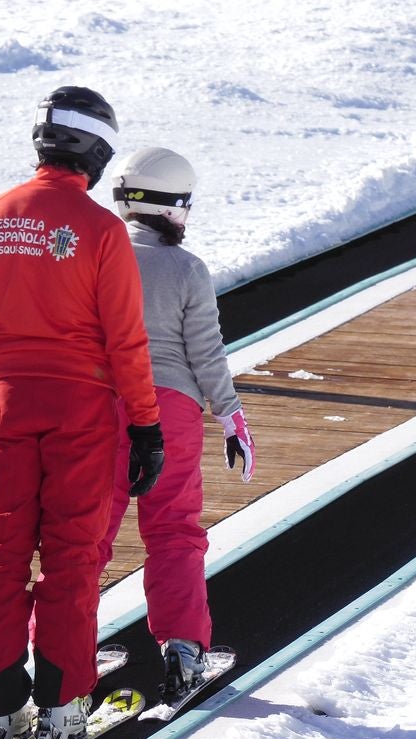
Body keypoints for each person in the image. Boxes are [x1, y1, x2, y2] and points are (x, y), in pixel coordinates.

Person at [0, 86, 164, 739]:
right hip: (81, 412)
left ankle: (0, 715)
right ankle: (63, 708)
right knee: (70, 560)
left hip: (4, 408)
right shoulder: (100, 232)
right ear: (95, 152)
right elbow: (126, 340)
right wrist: (147, 426)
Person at [98, 146, 256, 698]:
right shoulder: (187, 268)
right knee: (173, 531)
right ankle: (184, 652)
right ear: (174, 207)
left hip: (97, 407)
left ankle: (62, 649)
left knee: (85, 535)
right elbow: (205, 350)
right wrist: (230, 413)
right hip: (172, 408)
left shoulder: (92, 255)